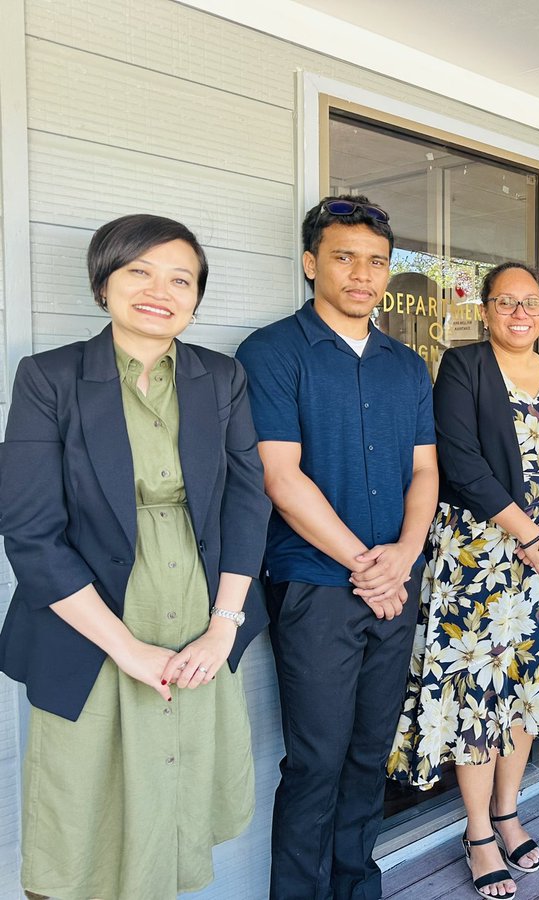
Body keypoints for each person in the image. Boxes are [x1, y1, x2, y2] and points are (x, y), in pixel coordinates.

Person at [0, 214, 271, 898]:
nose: (160, 290)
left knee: (178, 796)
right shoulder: (49, 377)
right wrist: (127, 649)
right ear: (104, 283)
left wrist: (224, 626)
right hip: (91, 620)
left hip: (203, 608)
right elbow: (30, 531)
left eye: (181, 278)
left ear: (197, 297)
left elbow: (247, 501)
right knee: (83, 810)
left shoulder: (222, 378)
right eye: (139, 272)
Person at [236, 195, 438, 900]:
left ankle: (357, 887)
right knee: (317, 760)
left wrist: (405, 556)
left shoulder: (406, 366)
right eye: (345, 257)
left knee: (366, 755)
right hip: (315, 587)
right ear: (310, 262)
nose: (363, 273)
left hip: (393, 582)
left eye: (376, 261)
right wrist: (368, 565)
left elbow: (424, 471)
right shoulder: (272, 352)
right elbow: (280, 477)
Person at [390, 261, 539, 899]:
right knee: (477, 697)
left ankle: (509, 811)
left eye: (532, 303)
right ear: (485, 309)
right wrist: (529, 533)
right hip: (481, 557)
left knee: (527, 690)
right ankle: (478, 829)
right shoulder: (463, 367)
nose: (521, 313)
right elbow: (460, 461)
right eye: (507, 302)